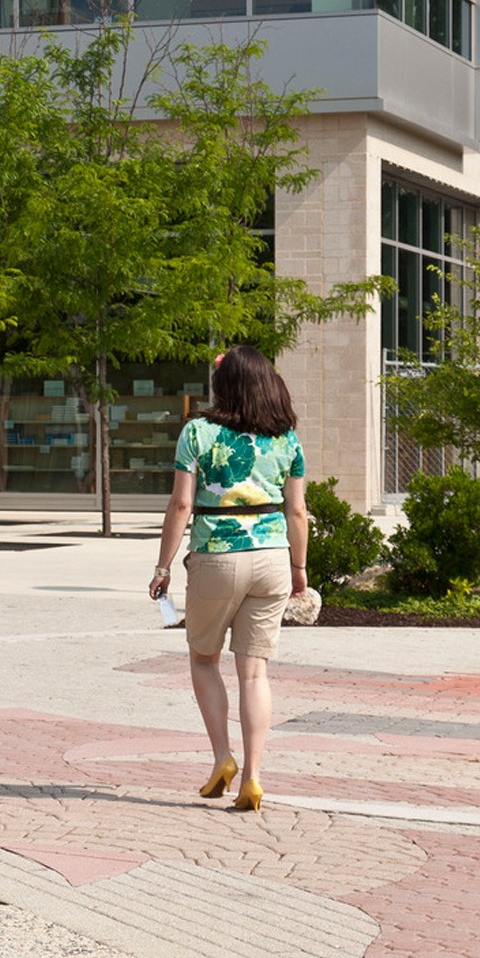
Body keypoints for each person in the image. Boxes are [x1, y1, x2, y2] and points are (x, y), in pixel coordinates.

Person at [148, 345, 309, 813]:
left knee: (203, 659)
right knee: (254, 671)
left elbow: (180, 505)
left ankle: (223, 758)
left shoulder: (197, 432)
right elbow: (297, 510)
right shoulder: (286, 438)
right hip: (273, 557)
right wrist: (299, 569)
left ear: (224, 385)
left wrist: (162, 567)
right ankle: (255, 778)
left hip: (217, 556)